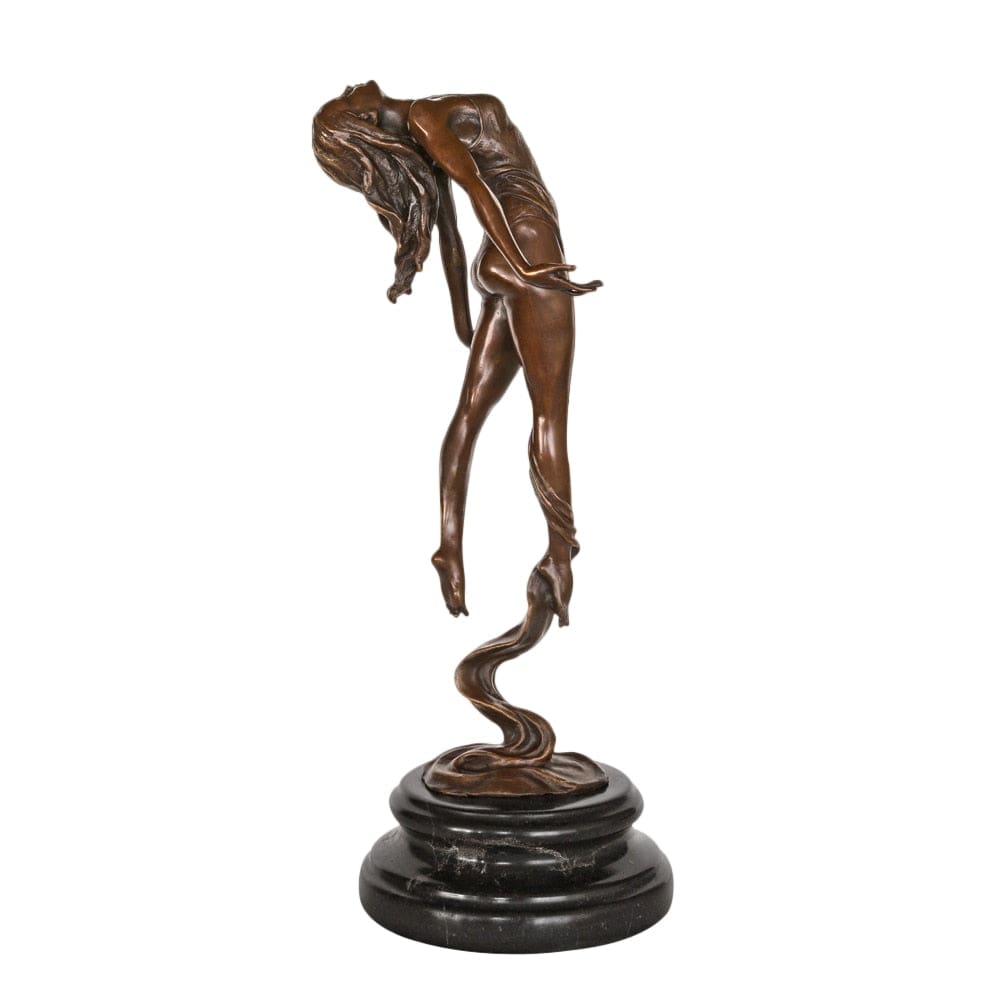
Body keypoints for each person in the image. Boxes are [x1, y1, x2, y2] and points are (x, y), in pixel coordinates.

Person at [313, 81, 601, 628]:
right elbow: (475, 189)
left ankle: (449, 546)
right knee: (549, 416)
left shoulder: (424, 131)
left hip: (501, 258)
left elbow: (450, 238)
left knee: (470, 414)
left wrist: (467, 317)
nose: (350, 88)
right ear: (363, 121)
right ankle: (560, 555)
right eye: (345, 100)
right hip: (526, 245)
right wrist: (525, 266)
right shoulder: (425, 118)